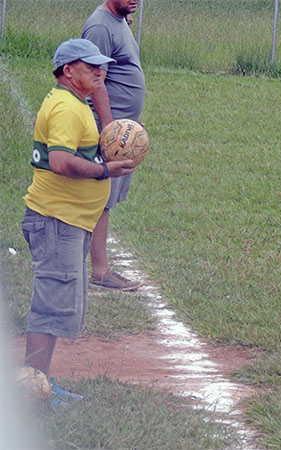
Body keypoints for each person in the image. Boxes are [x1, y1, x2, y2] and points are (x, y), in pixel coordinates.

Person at [22, 38, 135, 405]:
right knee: (49, 307)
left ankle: (42, 383)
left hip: (66, 221)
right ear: (68, 70)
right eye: (90, 66)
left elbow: (80, 149)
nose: (100, 71)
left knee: (56, 306)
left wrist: (120, 138)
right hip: (57, 221)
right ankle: (32, 388)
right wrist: (105, 171)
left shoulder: (75, 103)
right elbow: (60, 161)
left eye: (101, 66)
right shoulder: (69, 109)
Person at [82, 0, 146, 291]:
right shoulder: (100, 27)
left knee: (106, 199)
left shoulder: (117, 20)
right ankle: (99, 270)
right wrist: (112, 130)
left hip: (122, 128)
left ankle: (98, 267)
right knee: (100, 198)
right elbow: (96, 81)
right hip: (109, 130)